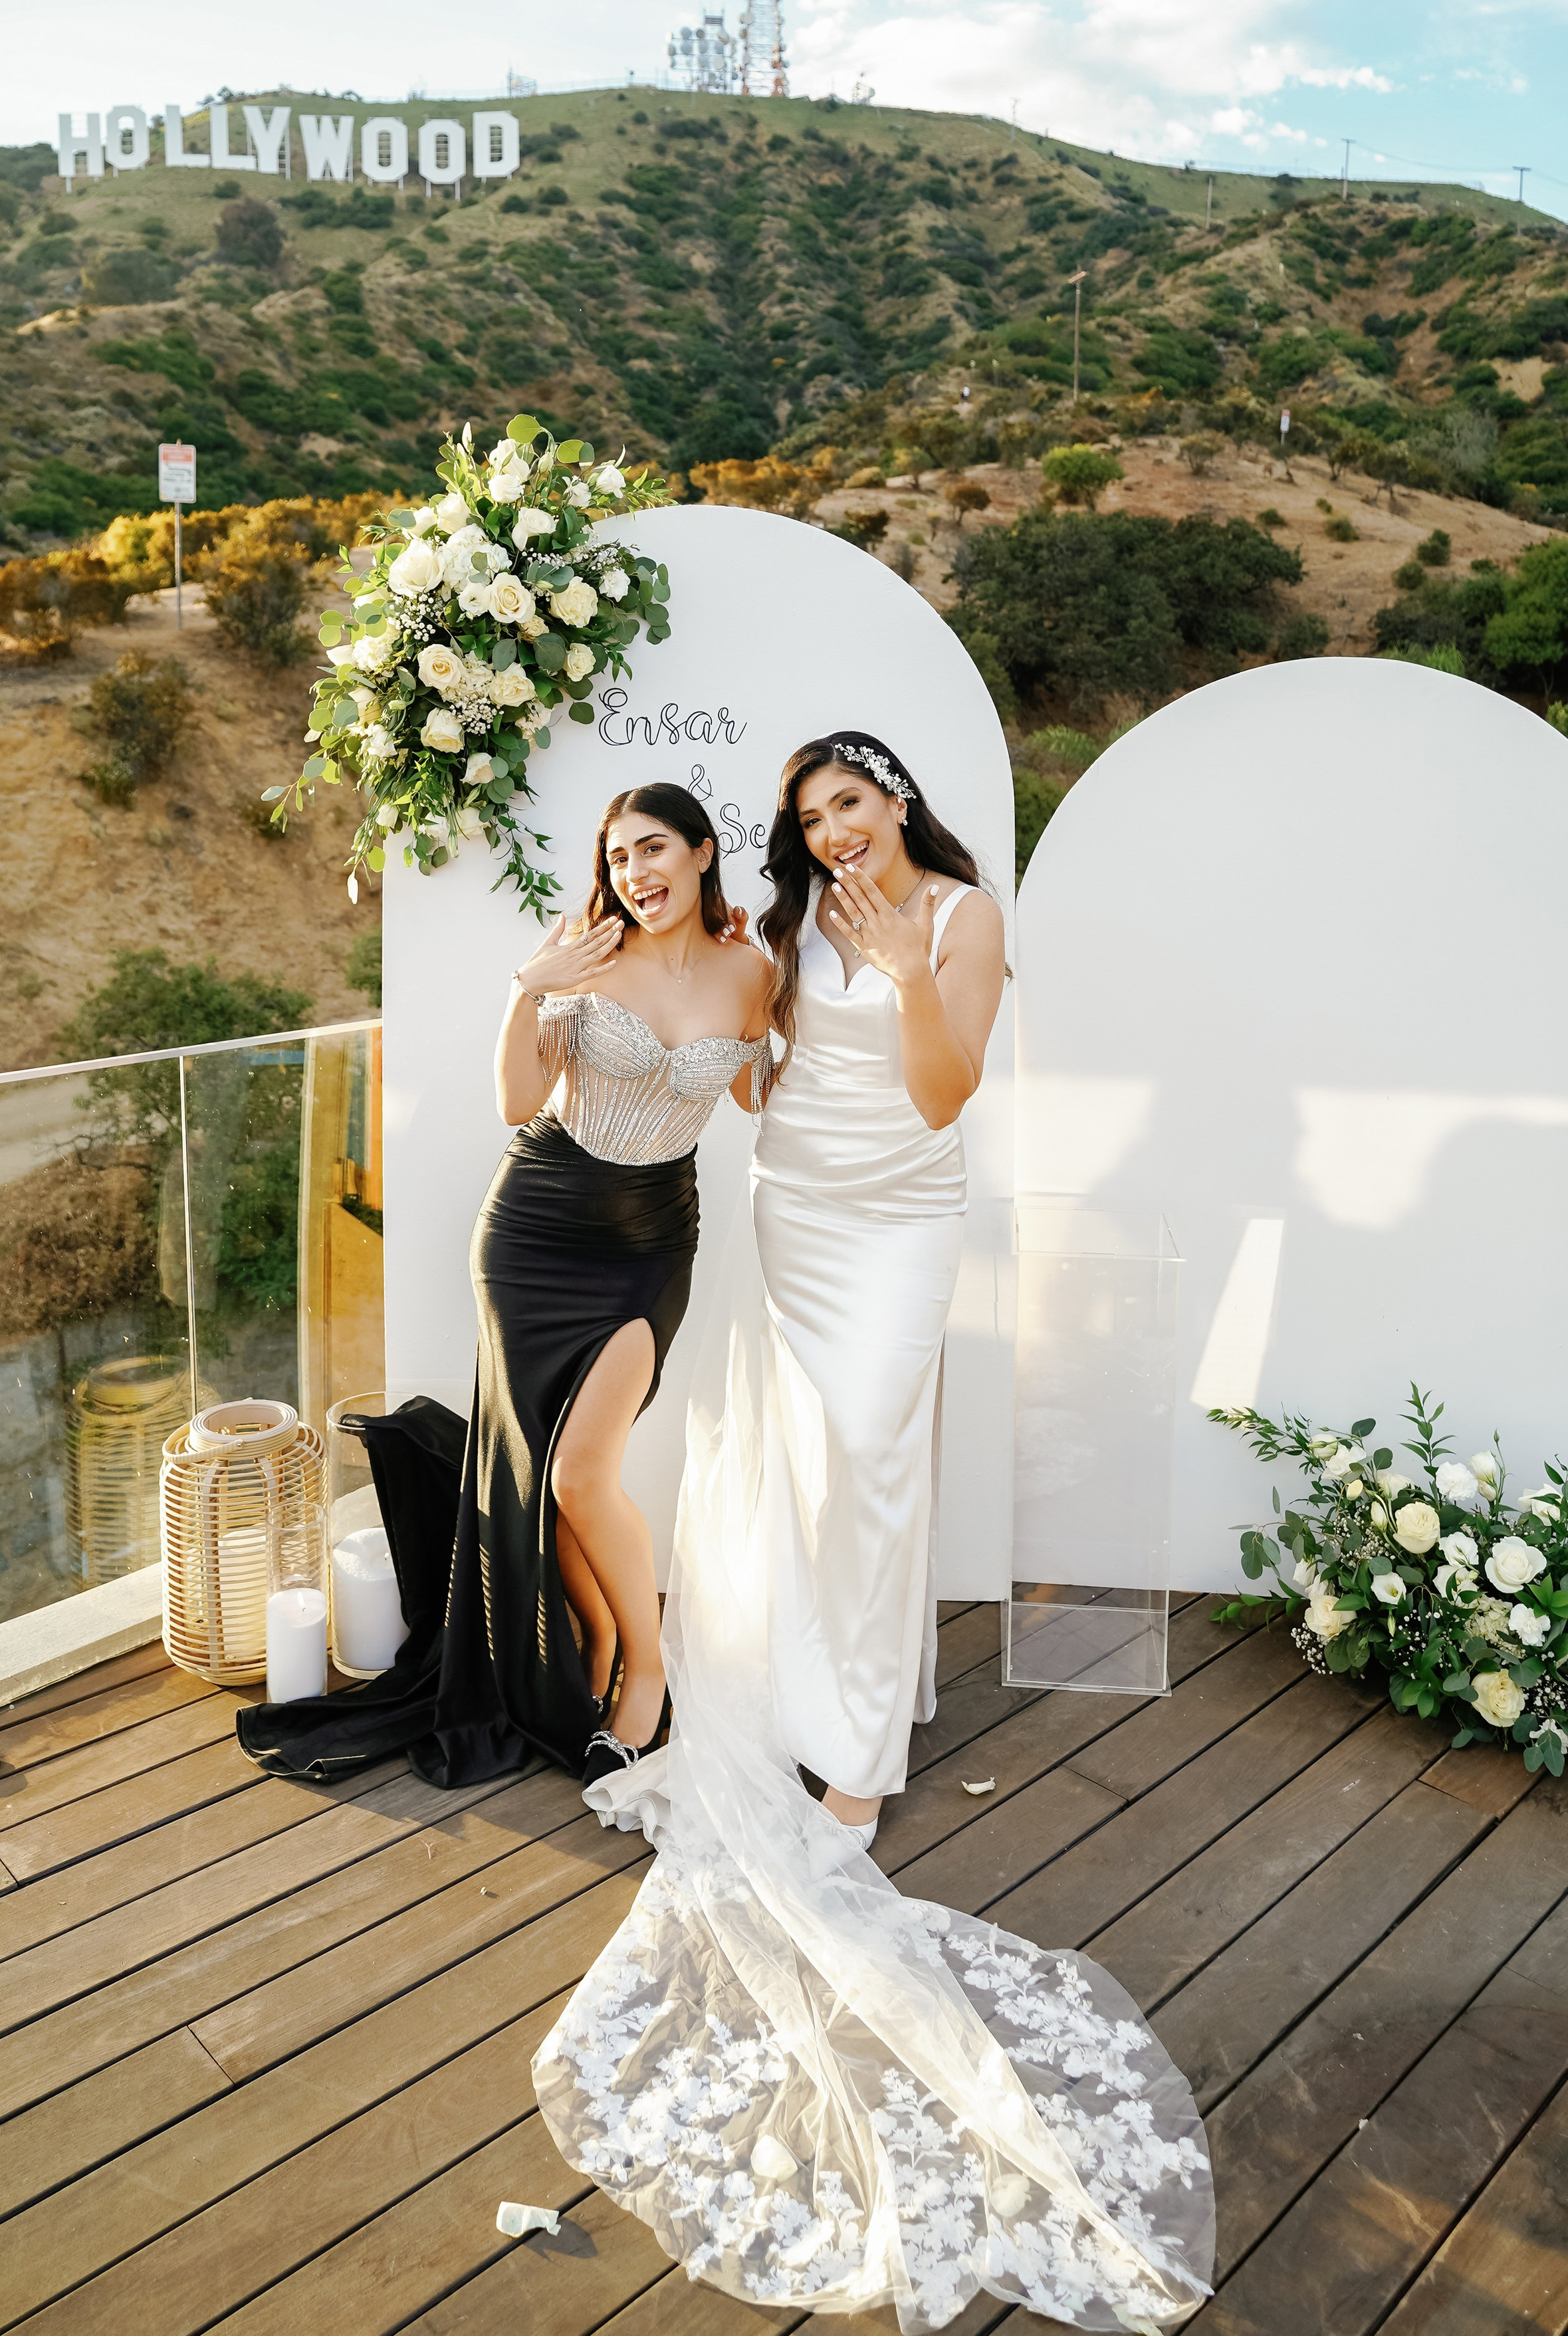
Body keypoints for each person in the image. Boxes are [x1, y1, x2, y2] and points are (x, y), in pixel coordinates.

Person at [533, 736, 1215, 2332]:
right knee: (788, 1457)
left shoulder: (962, 915)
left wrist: (907, 966)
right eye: (809, 815)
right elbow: (766, 1077)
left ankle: (858, 1757)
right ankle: (787, 1690)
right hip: (792, 1210)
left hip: (900, 1224)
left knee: (868, 1462)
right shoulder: (788, 929)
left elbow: (941, 1087)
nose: (830, 831)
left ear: (895, 805)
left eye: (849, 805)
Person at [237, 782, 768, 1787]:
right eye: (618, 859)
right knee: (550, 1478)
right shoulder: (586, 956)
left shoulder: (752, 970)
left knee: (579, 1472)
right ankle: (617, 1653)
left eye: (654, 850)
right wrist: (528, 986)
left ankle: (632, 1658)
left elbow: (753, 1090)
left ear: (703, 853)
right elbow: (516, 1099)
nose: (635, 875)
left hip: (653, 1243)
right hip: (535, 1231)